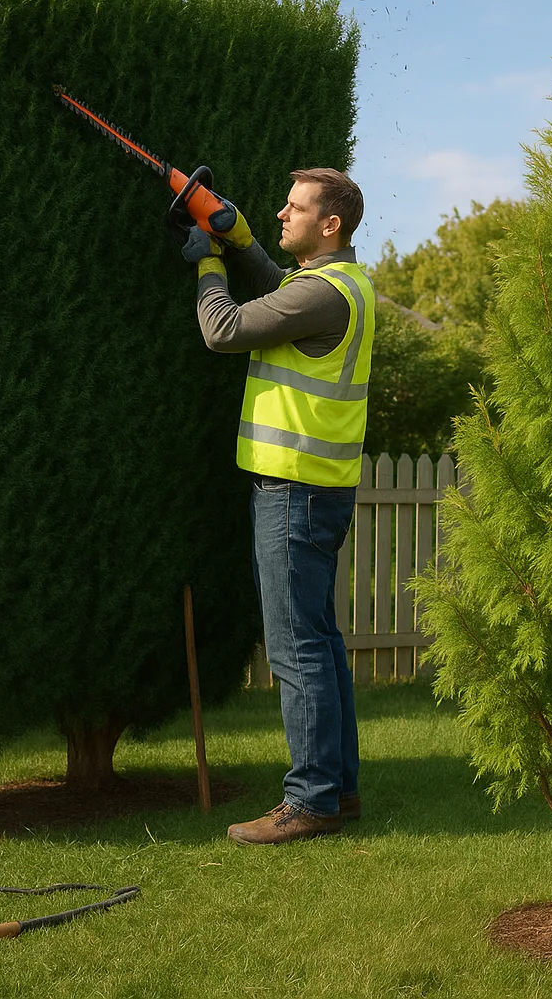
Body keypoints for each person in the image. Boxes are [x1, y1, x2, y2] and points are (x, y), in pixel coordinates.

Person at [182, 168, 373, 844]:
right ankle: (338, 791)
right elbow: (273, 289)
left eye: (295, 209)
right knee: (319, 642)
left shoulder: (320, 294)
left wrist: (208, 263)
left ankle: (311, 799)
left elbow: (225, 329)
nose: (282, 215)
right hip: (318, 487)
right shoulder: (336, 285)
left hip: (292, 490)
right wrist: (239, 240)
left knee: (296, 649)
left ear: (332, 225)